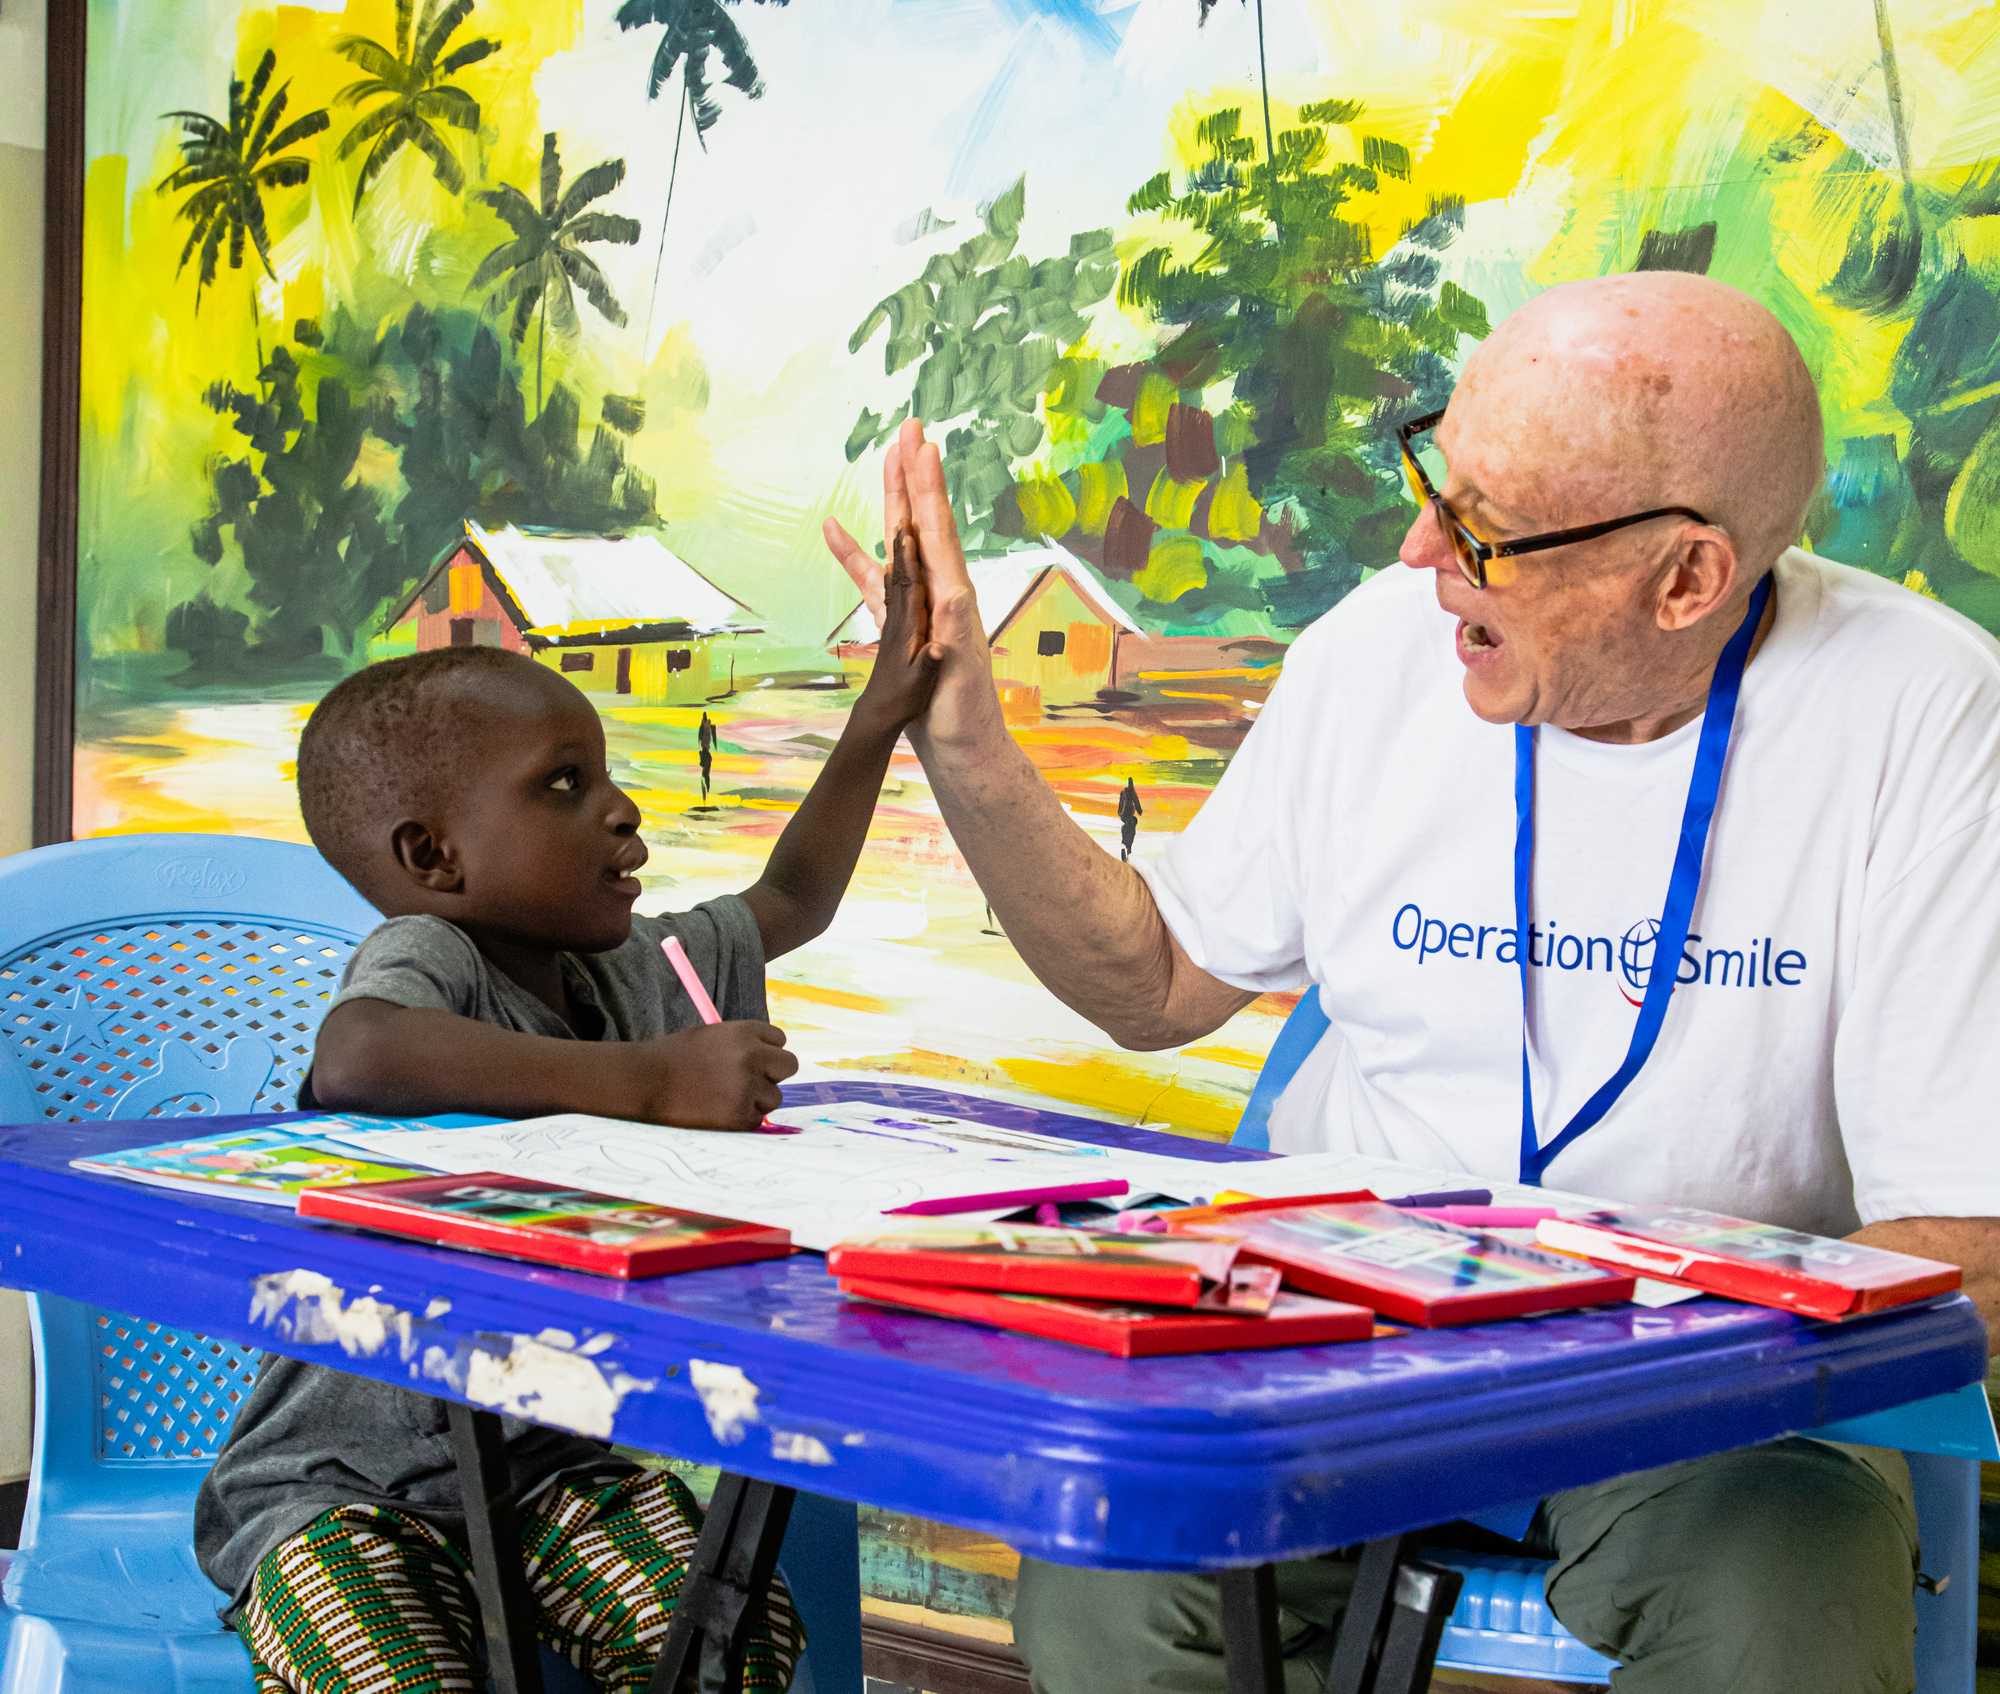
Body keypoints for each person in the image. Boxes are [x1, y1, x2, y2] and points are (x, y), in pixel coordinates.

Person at [824, 271, 2000, 1694]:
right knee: (1115, 1576)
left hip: (1705, 1393)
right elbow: (1158, 979)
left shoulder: (1928, 713)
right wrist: (965, 744)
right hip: (1339, 1328)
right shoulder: (1380, 649)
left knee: (1782, 1600)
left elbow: (1965, 1243)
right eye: (1439, 476)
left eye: (1486, 530)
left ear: (1686, 576)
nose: (1417, 547)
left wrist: (1635, 1338)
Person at [195, 542, 944, 1693]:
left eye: (602, 775)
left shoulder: (638, 972)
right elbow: (358, 1053)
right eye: (563, 784)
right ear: (432, 856)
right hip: (338, 1482)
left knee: (730, 1642)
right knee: (397, 1676)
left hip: (546, 1463)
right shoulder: (430, 953)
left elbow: (788, 897)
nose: (622, 806)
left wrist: (879, 713)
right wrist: (653, 1081)